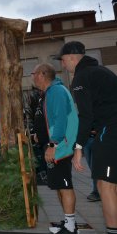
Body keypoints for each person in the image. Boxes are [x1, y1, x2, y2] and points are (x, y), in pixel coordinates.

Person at [57, 41, 117, 233]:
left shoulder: (82, 77)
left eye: (63, 61)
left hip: (110, 130)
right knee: (110, 184)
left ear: (72, 58)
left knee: (105, 186)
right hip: (110, 128)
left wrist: (78, 147)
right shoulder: (102, 71)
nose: (63, 65)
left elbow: (86, 116)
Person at [32, 63, 79, 234]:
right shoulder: (48, 93)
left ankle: (71, 226)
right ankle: (67, 221)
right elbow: (49, 119)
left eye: (34, 73)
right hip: (53, 145)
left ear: (42, 74)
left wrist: (53, 144)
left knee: (65, 185)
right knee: (59, 185)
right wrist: (40, 134)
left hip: (60, 146)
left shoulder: (57, 91)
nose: (32, 77)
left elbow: (60, 121)